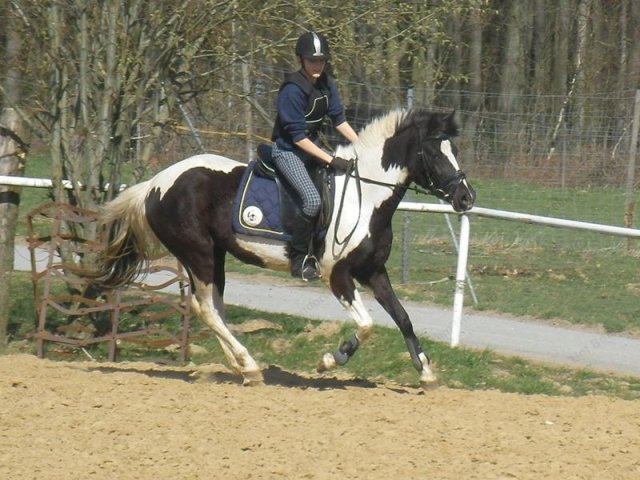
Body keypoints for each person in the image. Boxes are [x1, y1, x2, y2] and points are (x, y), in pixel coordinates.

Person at [271, 30, 359, 281]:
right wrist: (331, 160)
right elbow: (298, 138)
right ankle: (299, 259)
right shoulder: (292, 90)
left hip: (311, 150)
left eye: (321, 60)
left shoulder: (326, 83)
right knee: (312, 200)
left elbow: (339, 120)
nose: (317, 65)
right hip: (288, 152)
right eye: (312, 60)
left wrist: (362, 146)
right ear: (301, 59)